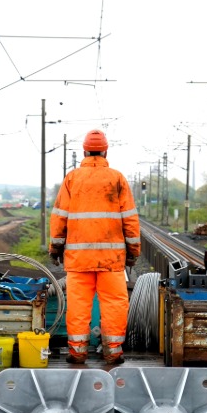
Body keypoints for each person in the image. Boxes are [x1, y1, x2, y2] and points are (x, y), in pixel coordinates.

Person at [49, 129, 140, 365]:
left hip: (79, 260)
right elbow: (130, 220)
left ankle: (77, 352)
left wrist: (55, 249)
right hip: (111, 260)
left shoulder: (72, 179)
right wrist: (133, 253)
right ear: (105, 151)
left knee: (78, 304)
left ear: (85, 151)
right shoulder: (117, 179)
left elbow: (59, 217)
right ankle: (113, 351)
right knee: (114, 303)